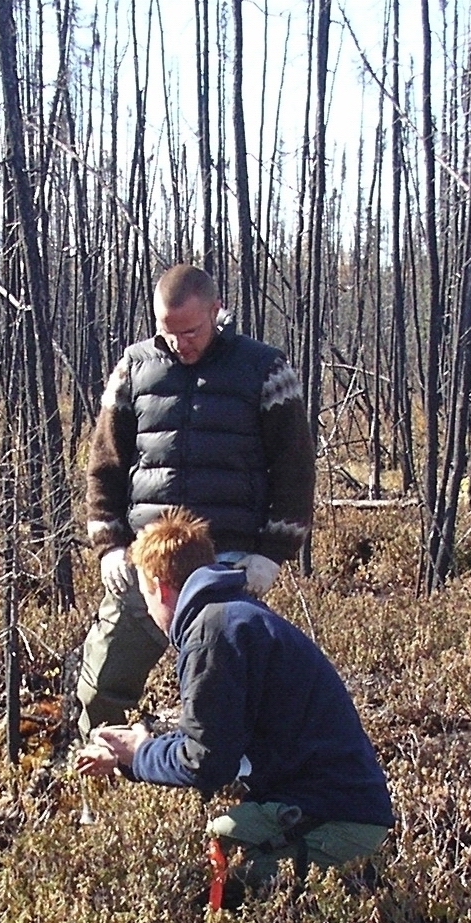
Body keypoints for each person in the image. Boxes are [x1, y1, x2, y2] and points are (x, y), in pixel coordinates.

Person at [75, 509, 393, 889]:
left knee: (205, 862)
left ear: (160, 586)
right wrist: (131, 752)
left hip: (337, 819)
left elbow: (206, 763)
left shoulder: (213, 633)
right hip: (345, 808)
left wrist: (139, 754)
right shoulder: (231, 616)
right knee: (221, 846)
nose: (146, 608)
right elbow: (214, 736)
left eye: (145, 595)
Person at [76, 263, 315, 741]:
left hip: (225, 563)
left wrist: (271, 553)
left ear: (216, 311)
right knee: (103, 683)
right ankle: (96, 791)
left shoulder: (265, 369)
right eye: (169, 332)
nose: (180, 343)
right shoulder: (134, 368)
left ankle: (236, 791)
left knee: (230, 689)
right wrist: (110, 544)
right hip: (146, 562)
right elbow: (106, 461)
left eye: (191, 331)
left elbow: (294, 468)